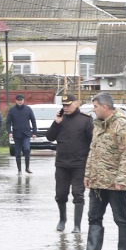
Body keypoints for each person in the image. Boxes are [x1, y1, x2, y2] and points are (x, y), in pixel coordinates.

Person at [71, 93, 126, 250]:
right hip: (98, 181)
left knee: (120, 218)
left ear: (105, 107)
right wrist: (88, 175)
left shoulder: (122, 126)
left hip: (116, 183)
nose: (93, 109)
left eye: (95, 106)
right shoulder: (98, 125)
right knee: (94, 217)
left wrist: (121, 179)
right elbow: (92, 152)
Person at [45, 94, 92, 232]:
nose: (65, 108)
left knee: (78, 194)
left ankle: (77, 225)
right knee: (60, 194)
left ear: (76, 103)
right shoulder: (61, 119)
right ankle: (62, 219)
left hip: (79, 164)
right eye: (64, 105)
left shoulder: (86, 120)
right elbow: (49, 137)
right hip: (62, 164)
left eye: (68, 105)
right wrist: (56, 122)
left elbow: (93, 142)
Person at [6, 93, 37, 173]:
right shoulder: (12, 110)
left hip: (26, 133)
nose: (20, 102)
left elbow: (33, 121)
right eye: (18, 100)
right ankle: (19, 169)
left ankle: (27, 168)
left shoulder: (28, 109)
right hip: (16, 134)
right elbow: (8, 122)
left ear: (23, 100)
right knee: (18, 152)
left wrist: (34, 132)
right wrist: (9, 132)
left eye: (21, 100)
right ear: (16, 101)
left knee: (27, 149)